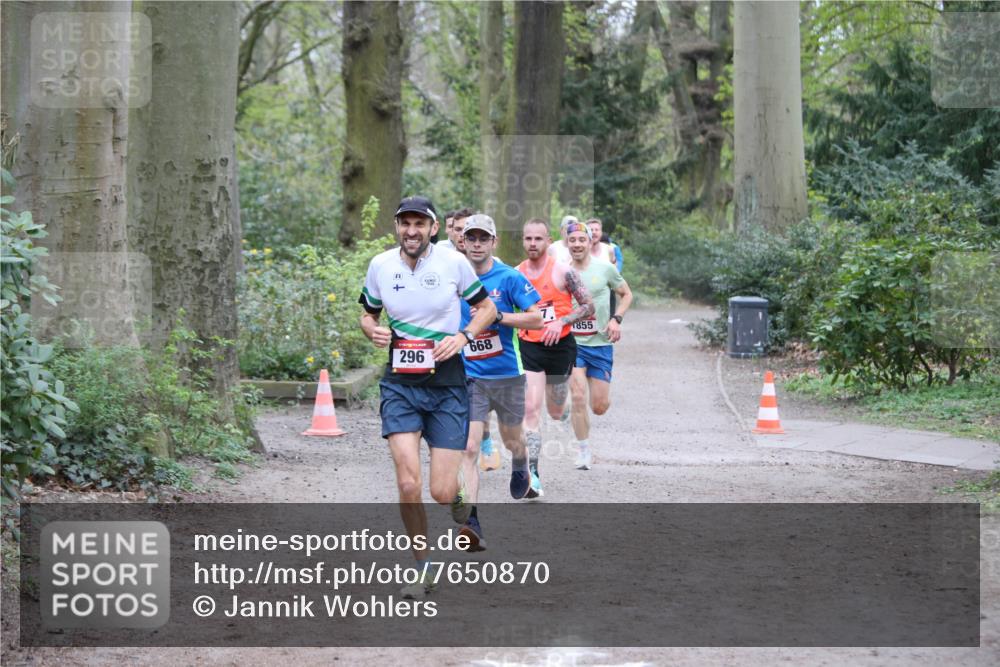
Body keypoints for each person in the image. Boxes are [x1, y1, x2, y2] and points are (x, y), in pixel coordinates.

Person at [358, 195, 497, 599]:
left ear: (433, 228)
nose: (411, 231)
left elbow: (485, 308)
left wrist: (462, 336)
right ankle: (423, 568)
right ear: (397, 227)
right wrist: (371, 330)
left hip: (447, 386)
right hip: (400, 385)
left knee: (439, 491)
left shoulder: (453, 263)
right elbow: (368, 312)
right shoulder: (381, 266)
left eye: (420, 223)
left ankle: (458, 501)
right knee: (406, 482)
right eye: (405, 223)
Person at [457, 214, 543, 549]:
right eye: (471, 238)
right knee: (468, 447)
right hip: (470, 376)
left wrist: (498, 316)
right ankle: (472, 522)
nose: (477, 244)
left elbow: (536, 317)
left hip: (507, 375)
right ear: (463, 242)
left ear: (494, 242)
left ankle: (521, 461)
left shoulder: (508, 278)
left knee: (511, 440)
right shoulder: (453, 276)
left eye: (483, 238)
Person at [517, 218, 595, 497]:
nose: (533, 244)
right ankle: (533, 475)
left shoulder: (564, 272)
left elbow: (588, 306)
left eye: (538, 239)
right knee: (531, 410)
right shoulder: (516, 275)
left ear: (549, 241)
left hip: (561, 347)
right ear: (523, 241)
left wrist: (560, 322)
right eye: (528, 239)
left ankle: (560, 411)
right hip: (531, 348)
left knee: (554, 408)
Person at [564, 221, 633, 470]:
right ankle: (583, 450)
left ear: (590, 241)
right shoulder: (560, 272)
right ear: (566, 243)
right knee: (578, 396)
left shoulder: (605, 269)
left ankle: (584, 414)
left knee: (599, 406)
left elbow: (627, 294)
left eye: (581, 240)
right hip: (572, 344)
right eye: (572, 240)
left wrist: (616, 319)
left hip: (601, 343)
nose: (577, 244)